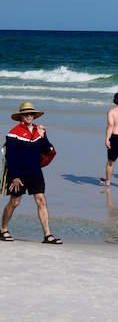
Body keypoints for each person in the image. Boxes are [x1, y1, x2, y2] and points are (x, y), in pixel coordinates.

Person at [2, 102, 60, 244]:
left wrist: (42, 136)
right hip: (19, 174)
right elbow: (10, 157)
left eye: (31, 113)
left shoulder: (38, 130)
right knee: (14, 202)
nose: (29, 116)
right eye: (26, 113)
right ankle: (3, 230)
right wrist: (14, 177)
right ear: (21, 116)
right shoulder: (13, 134)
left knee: (42, 201)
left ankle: (47, 235)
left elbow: (47, 149)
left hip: (35, 172)